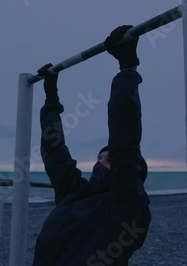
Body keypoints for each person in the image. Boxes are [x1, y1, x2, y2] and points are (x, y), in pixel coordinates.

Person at [32, 26, 151, 266]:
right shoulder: (73, 193)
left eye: (109, 160)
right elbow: (54, 150)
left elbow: (124, 138)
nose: (100, 163)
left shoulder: (128, 209)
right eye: (99, 158)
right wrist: (51, 96)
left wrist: (127, 68)